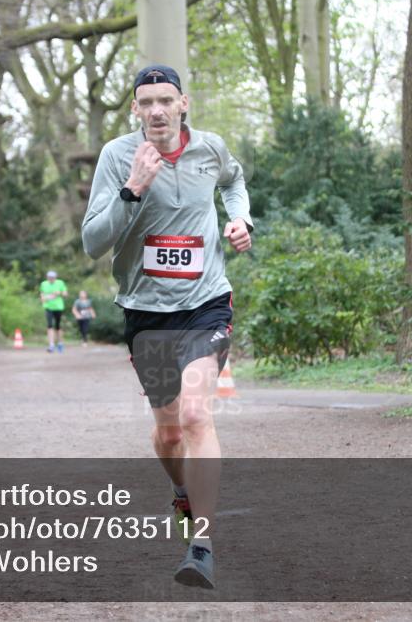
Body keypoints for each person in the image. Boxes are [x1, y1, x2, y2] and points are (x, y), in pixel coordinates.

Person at [81, 65, 253, 589]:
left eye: (166, 100)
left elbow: (235, 180)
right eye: (146, 102)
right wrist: (133, 188)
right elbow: (93, 241)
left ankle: (201, 546)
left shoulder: (210, 148)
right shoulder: (117, 157)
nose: (156, 110)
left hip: (205, 302)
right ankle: (181, 490)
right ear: (135, 109)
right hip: (145, 311)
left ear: (184, 104)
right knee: (169, 430)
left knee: (198, 412)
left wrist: (241, 219)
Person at [39, 270, 68, 352]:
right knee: (49, 325)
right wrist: (47, 297)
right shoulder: (43, 284)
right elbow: (42, 297)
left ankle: (60, 343)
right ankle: (51, 344)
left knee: (58, 326)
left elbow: (65, 294)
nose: (51, 279)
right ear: (47, 277)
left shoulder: (60, 283)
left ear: (55, 277)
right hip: (48, 307)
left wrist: (60, 293)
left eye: (52, 277)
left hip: (58, 307)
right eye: (49, 277)